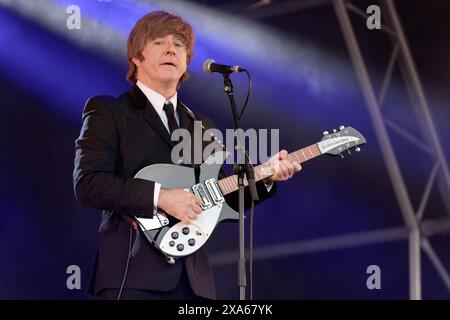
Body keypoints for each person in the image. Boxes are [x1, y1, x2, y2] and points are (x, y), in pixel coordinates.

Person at [73, 10, 301, 300]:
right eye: (158, 42)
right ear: (136, 57)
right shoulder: (109, 111)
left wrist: (265, 178)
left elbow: (220, 200)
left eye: (178, 44)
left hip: (194, 283)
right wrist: (161, 196)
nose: (170, 49)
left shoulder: (201, 125)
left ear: (186, 62)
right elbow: (89, 183)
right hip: (132, 276)